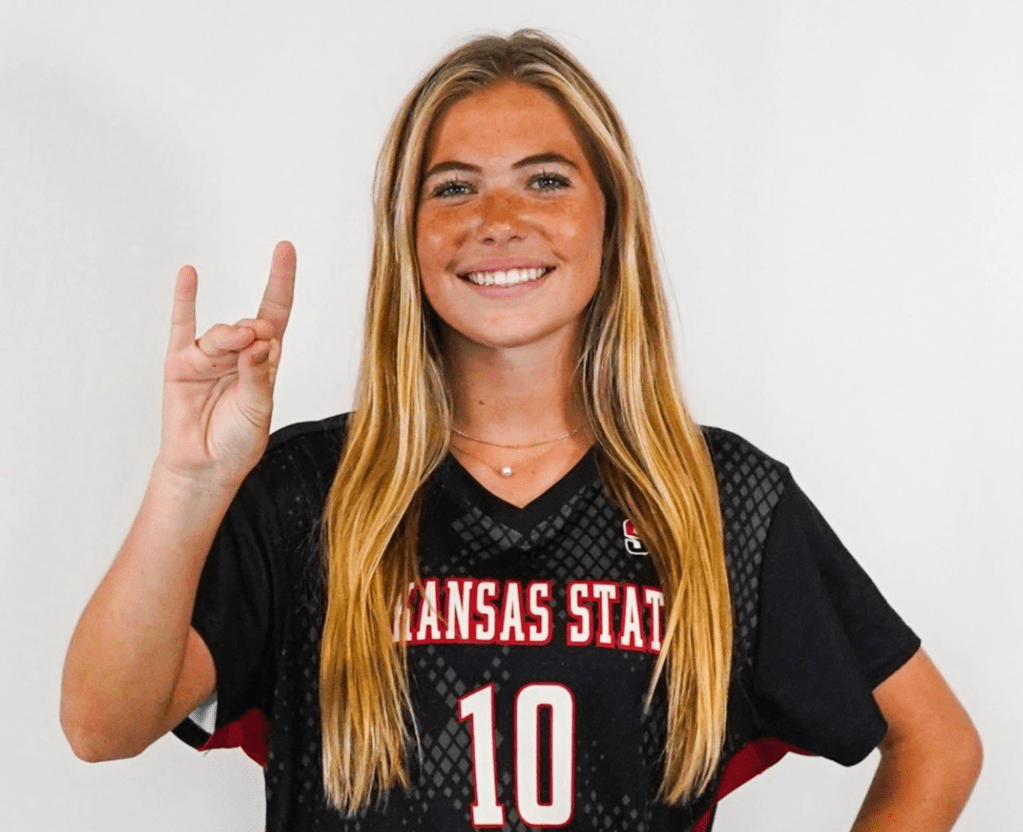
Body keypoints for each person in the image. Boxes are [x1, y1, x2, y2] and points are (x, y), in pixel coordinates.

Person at [60, 29, 981, 831]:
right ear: (407, 235)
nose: (497, 222)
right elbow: (102, 727)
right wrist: (187, 482)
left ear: (609, 217)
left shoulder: (720, 498)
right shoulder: (309, 488)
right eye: (452, 188)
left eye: (544, 181)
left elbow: (935, 743)